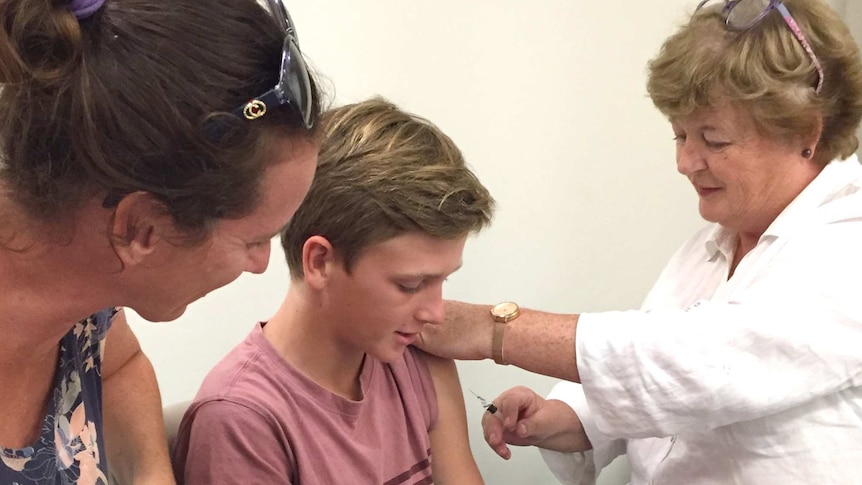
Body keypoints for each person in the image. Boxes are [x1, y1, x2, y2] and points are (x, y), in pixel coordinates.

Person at [415, 0, 862, 483]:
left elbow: (695, 367)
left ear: (805, 132)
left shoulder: (846, 245)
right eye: (679, 136)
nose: (686, 162)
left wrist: (492, 329)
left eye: (713, 140)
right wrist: (563, 418)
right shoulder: (711, 247)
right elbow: (653, 384)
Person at [0, 0, 321, 482]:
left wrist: (152, 473)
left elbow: (120, 364)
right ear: (140, 228)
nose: (260, 264)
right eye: (256, 239)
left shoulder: (86, 304)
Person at [171, 98, 492, 484]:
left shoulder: (419, 355)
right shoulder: (240, 420)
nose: (435, 313)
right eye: (410, 285)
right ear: (320, 262)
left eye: (444, 280)